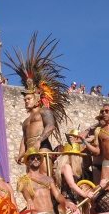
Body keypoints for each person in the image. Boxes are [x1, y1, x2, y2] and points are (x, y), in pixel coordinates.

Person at [6, 34, 69, 175]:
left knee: (46, 178)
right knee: (33, 182)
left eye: (28, 98)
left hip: (42, 147)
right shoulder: (25, 121)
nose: (26, 101)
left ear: (36, 98)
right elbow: (24, 138)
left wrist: (39, 141)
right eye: (25, 99)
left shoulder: (44, 111)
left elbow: (50, 126)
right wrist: (20, 153)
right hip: (30, 150)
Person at [53, 142, 87, 214]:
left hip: (71, 201)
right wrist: (85, 194)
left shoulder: (67, 167)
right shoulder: (66, 167)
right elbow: (72, 185)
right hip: (67, 200)